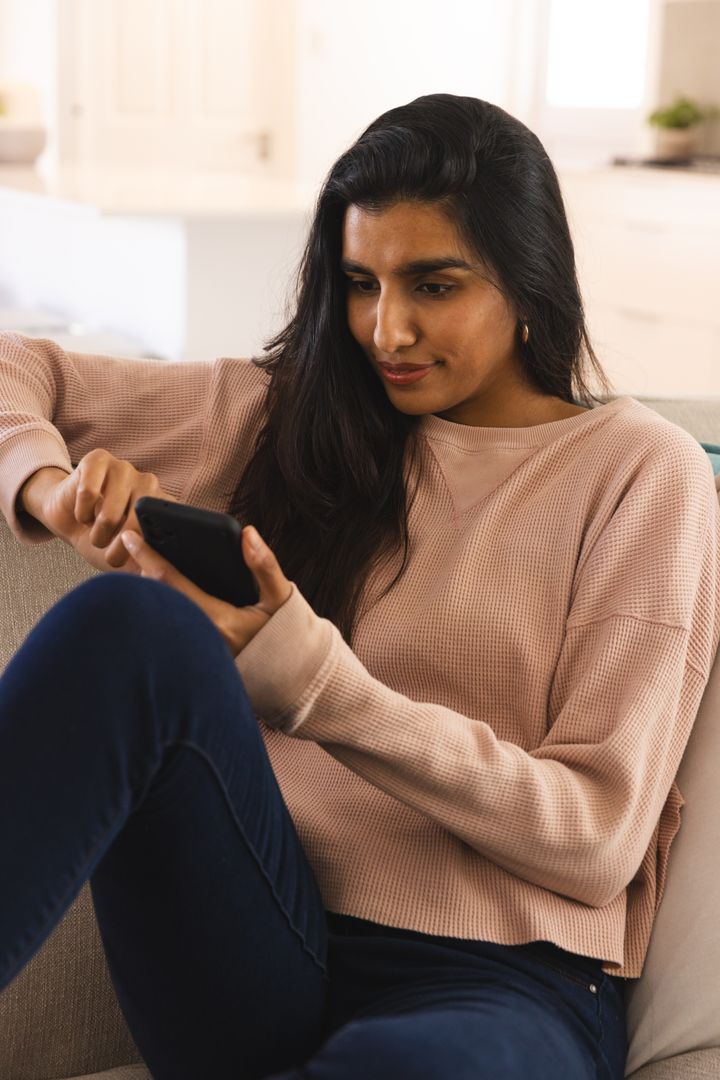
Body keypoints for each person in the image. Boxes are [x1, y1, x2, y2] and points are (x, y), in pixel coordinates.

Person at [0, 93, 718, 1080]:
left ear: (527, 280)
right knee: (129, 622)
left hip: (498, 981)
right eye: (359, 283)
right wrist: (47, 486)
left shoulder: (643, 472)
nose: (388, 330)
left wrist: (315, 684)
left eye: (433, 284)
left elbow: (595, 837)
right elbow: (14, 366)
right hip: (256, 937)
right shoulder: (290, 416)